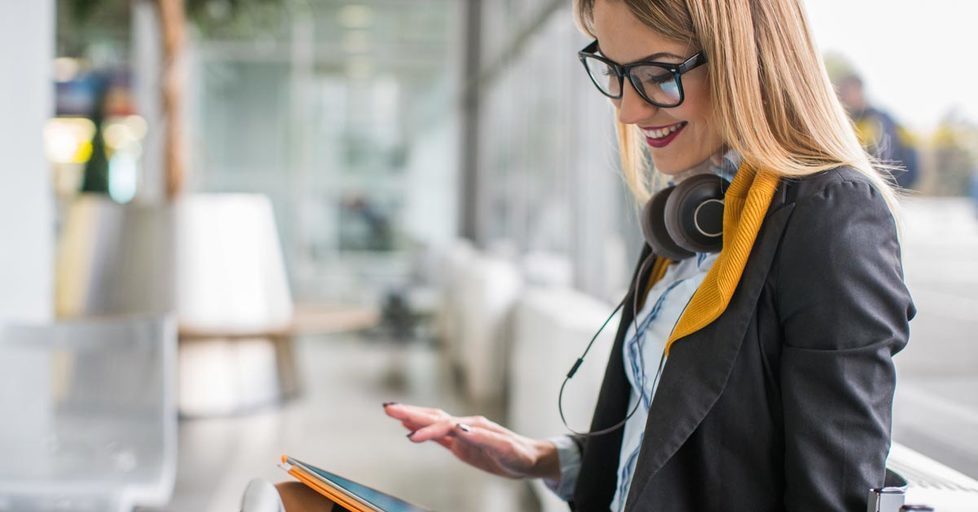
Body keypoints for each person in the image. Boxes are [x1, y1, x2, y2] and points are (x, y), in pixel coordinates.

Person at [247, 0, 914, 510]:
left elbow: (832, 495)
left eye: (656, 75)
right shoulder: (695, 217)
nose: (628, 110)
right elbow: (678, 452)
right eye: (614, 72)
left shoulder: (831, 218)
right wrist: (538, 458)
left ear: (745, 57)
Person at [836, 73, 921, 189]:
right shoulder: (854, 120)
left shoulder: (876, 120)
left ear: (858, 91)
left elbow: (885, 159)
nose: (840, 98)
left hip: (892, 183)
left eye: (845, 92)